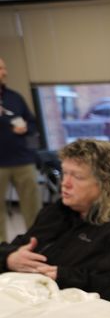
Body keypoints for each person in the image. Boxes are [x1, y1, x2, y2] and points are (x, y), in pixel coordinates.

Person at [0, 139, 110, 306]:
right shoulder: (56, 212)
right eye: (65, 173)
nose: (65, 183)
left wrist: (65, 277)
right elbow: (18, 246)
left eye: (77, 176)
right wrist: (10, 258)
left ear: (107, 184)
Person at [0, 56, 41, 242]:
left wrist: (32, 152)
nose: (5, 72)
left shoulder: (15, 97)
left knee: (33, 208)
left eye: (4, 68)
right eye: (1, 69)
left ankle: (36, 242)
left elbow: (32, 124)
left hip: (23, 161)